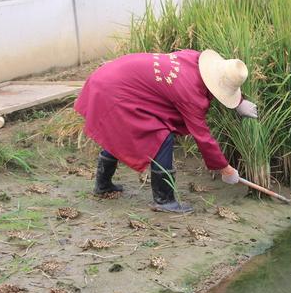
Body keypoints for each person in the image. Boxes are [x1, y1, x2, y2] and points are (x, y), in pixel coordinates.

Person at [74, 49, 258, 214]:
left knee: (120, 134)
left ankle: (103, 185)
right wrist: (225, 168)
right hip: (114, 89)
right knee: (161, 137)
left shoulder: (193, 58)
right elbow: (202, 137)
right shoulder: (191, 93)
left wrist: (239, 102)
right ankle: (164, 200)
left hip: (111, 75)